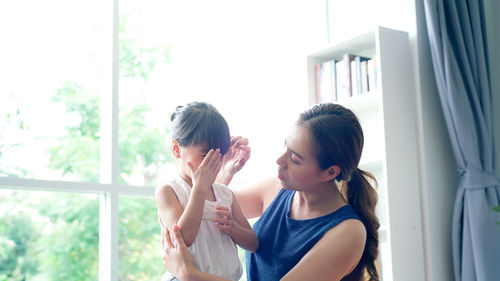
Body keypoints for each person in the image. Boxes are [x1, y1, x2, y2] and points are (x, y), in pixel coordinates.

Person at [161, 103, 380, 281]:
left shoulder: (348, 232)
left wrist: (189, 274)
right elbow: (210, 209)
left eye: (295, 158)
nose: (279, 160)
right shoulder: (275, 188)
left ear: (330, 172)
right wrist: (224, 171)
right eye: (285, 147)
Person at [155, 102, 258, 281]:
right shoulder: (169, 191)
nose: (214, 163)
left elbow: (253, 244)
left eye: (219, 155)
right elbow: (183, 239)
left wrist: (233, 228)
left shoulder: (225, 194)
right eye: (205, 156)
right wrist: (199, 189)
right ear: (177, 149)